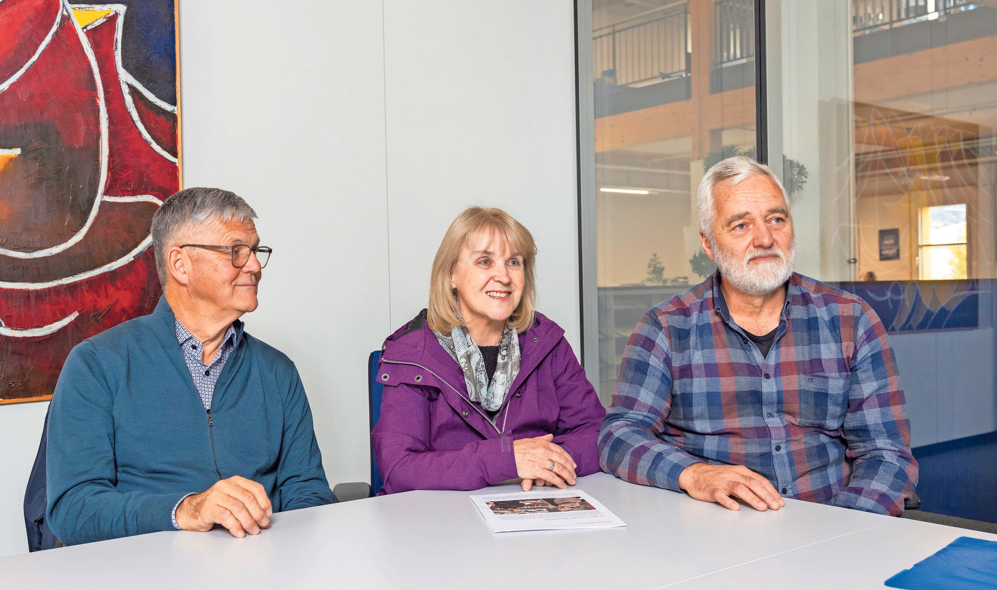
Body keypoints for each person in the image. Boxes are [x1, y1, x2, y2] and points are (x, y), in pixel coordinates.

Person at [598, 157, 918, 516]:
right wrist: (693, 473)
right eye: (740, 225)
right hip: (714, 535)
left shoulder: (851, 320)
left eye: (776, 219)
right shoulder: (667, 328)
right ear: (708, 243)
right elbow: (620, 435)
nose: (765, 238)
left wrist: (841, 533)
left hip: (832, 522)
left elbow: (885, 454)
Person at [46, 187, 334, 545]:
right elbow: (73, 509)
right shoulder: (96, 365)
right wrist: (186, 510)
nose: (255, 266)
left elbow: (309, 492)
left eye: (255, 251)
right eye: (235, 252)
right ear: (180, 264)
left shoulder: (278, 371)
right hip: (144, 577)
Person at [372, 207, 605, 494]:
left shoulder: (548, 343)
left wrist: (549, 462)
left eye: (514, 263)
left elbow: (598, 435)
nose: (503, 277)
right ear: (451, 275)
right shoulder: (411, 353)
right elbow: (400, 469)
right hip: (442, 523)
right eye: (485, 261)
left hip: (536, 511)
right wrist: (508, 460)